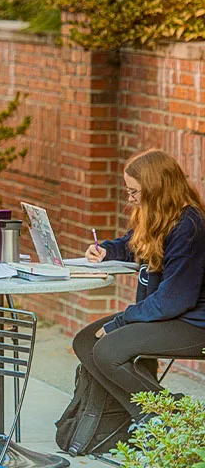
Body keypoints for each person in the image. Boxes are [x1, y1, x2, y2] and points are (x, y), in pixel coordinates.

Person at [73, 149, 205, 422]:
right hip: (166, 315)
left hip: (194, 323)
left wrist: (121, 321)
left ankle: (175, 420)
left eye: (135, 192)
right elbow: (132, 244)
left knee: (109, 350)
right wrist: (106, 251)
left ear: (157, 189)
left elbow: (173, 300)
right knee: (85, 342)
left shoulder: (189, 227)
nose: (131, 199)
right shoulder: (157, 215)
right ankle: (144, 419)